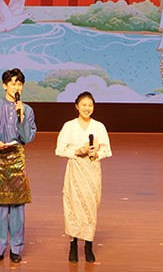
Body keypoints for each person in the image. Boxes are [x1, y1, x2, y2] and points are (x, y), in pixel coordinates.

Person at [0, 68, 37, 263]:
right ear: (4, 85)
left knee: (18, 206)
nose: (16, 86)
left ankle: (17, 248)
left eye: (19, 83)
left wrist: (21, 118)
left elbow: (28, 137)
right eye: (12, 83)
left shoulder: (26, 110)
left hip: (17, 159)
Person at [55, 91, 112, 263]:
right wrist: (77, 151)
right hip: (75, 169)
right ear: (77, 106)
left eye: (90, 105)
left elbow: (107, 149)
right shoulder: (69, 126)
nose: (87, 108)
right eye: (83, 105)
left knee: (90, 205)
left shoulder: (99, 127)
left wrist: (96, 153)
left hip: (92, 169)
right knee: (73, 204)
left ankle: (88, 244)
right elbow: (59, 150)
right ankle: (73, 244)